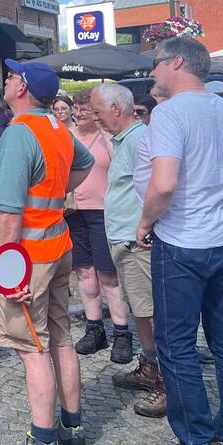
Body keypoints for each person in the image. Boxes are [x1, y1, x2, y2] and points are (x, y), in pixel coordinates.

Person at [137, 36, 223, 445]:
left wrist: (145, 221)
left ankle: (196, 443)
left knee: (175, 344)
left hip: (182, 240)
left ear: (177, 62)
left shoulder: (170, 113)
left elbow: (164, 183)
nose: (153, 71)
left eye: (156, 63)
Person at [0, 59, 95, 445]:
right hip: (56, 247)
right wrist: (56, 195)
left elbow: (9, 212)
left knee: (31, 349)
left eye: (10, 77)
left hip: (26, 259)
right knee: (61, 338)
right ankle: (73, 433)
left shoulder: (18, 135)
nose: (4, 80)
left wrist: (10, 273)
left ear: (23, 89)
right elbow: (85, 165)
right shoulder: (56, 129)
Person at [90, 83, 166, 418]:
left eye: (98, 112)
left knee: (150, 313)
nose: (95, 118)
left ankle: (164, 381)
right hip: (124, 238)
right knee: (140, 310)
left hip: (136, 242)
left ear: (116, 110)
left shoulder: (139, 140)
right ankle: (150, 367)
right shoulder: (124, 140)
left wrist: (143, 229)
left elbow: (157, 187)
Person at [66, 89, 132, 363]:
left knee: (108, 276)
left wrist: (105, 133)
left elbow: (121, 164)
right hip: (74, 211)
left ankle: (121, 333)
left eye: (85, 108)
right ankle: (94, 328)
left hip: (103, 213)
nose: (79, 113)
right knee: (84, 272)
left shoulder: (108, 138)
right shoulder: (67, 136)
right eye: (76, 108)